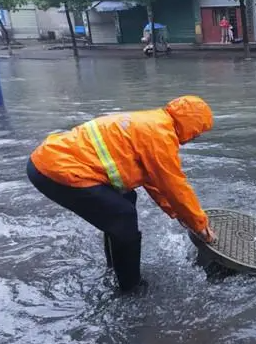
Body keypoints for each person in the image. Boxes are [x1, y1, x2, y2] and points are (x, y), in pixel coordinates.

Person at [26, 96, 217, 293]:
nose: (195, 138)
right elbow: (175, 186)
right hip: (55, 169)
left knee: (125, 199)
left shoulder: (152, 121)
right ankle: (131, 288)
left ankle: (115, 267)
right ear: (191, 125)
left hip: (46, 160)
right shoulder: (161, 136)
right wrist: (200, 226)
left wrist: (180, 215)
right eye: (198, 132)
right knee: (123, 216)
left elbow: (154, 181)